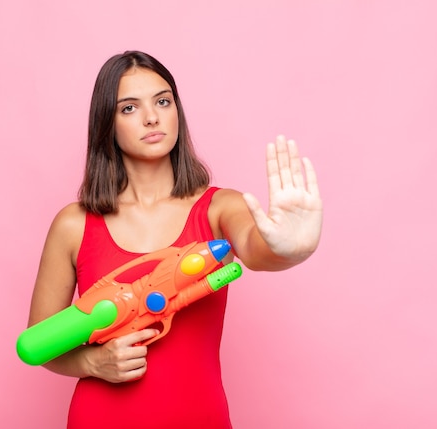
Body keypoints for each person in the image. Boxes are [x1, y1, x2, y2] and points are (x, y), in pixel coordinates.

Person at [26, 50, 323, 429]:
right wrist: (91, 362)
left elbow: (257, 249)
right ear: (107, 123)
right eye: (129, 108)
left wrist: (291, 249)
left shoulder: (219, 207)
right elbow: (39, 343)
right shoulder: (74, 224)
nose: (152, 117)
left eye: (163, 101)